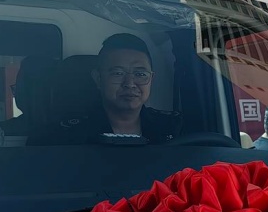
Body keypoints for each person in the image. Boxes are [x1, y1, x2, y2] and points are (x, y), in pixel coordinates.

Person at [31, 34, 180, 144]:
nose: (130, 83)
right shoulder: (62, 136)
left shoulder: (174, 128)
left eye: (140, 74)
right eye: (118, 73)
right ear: (98, 78)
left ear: (151, 79)